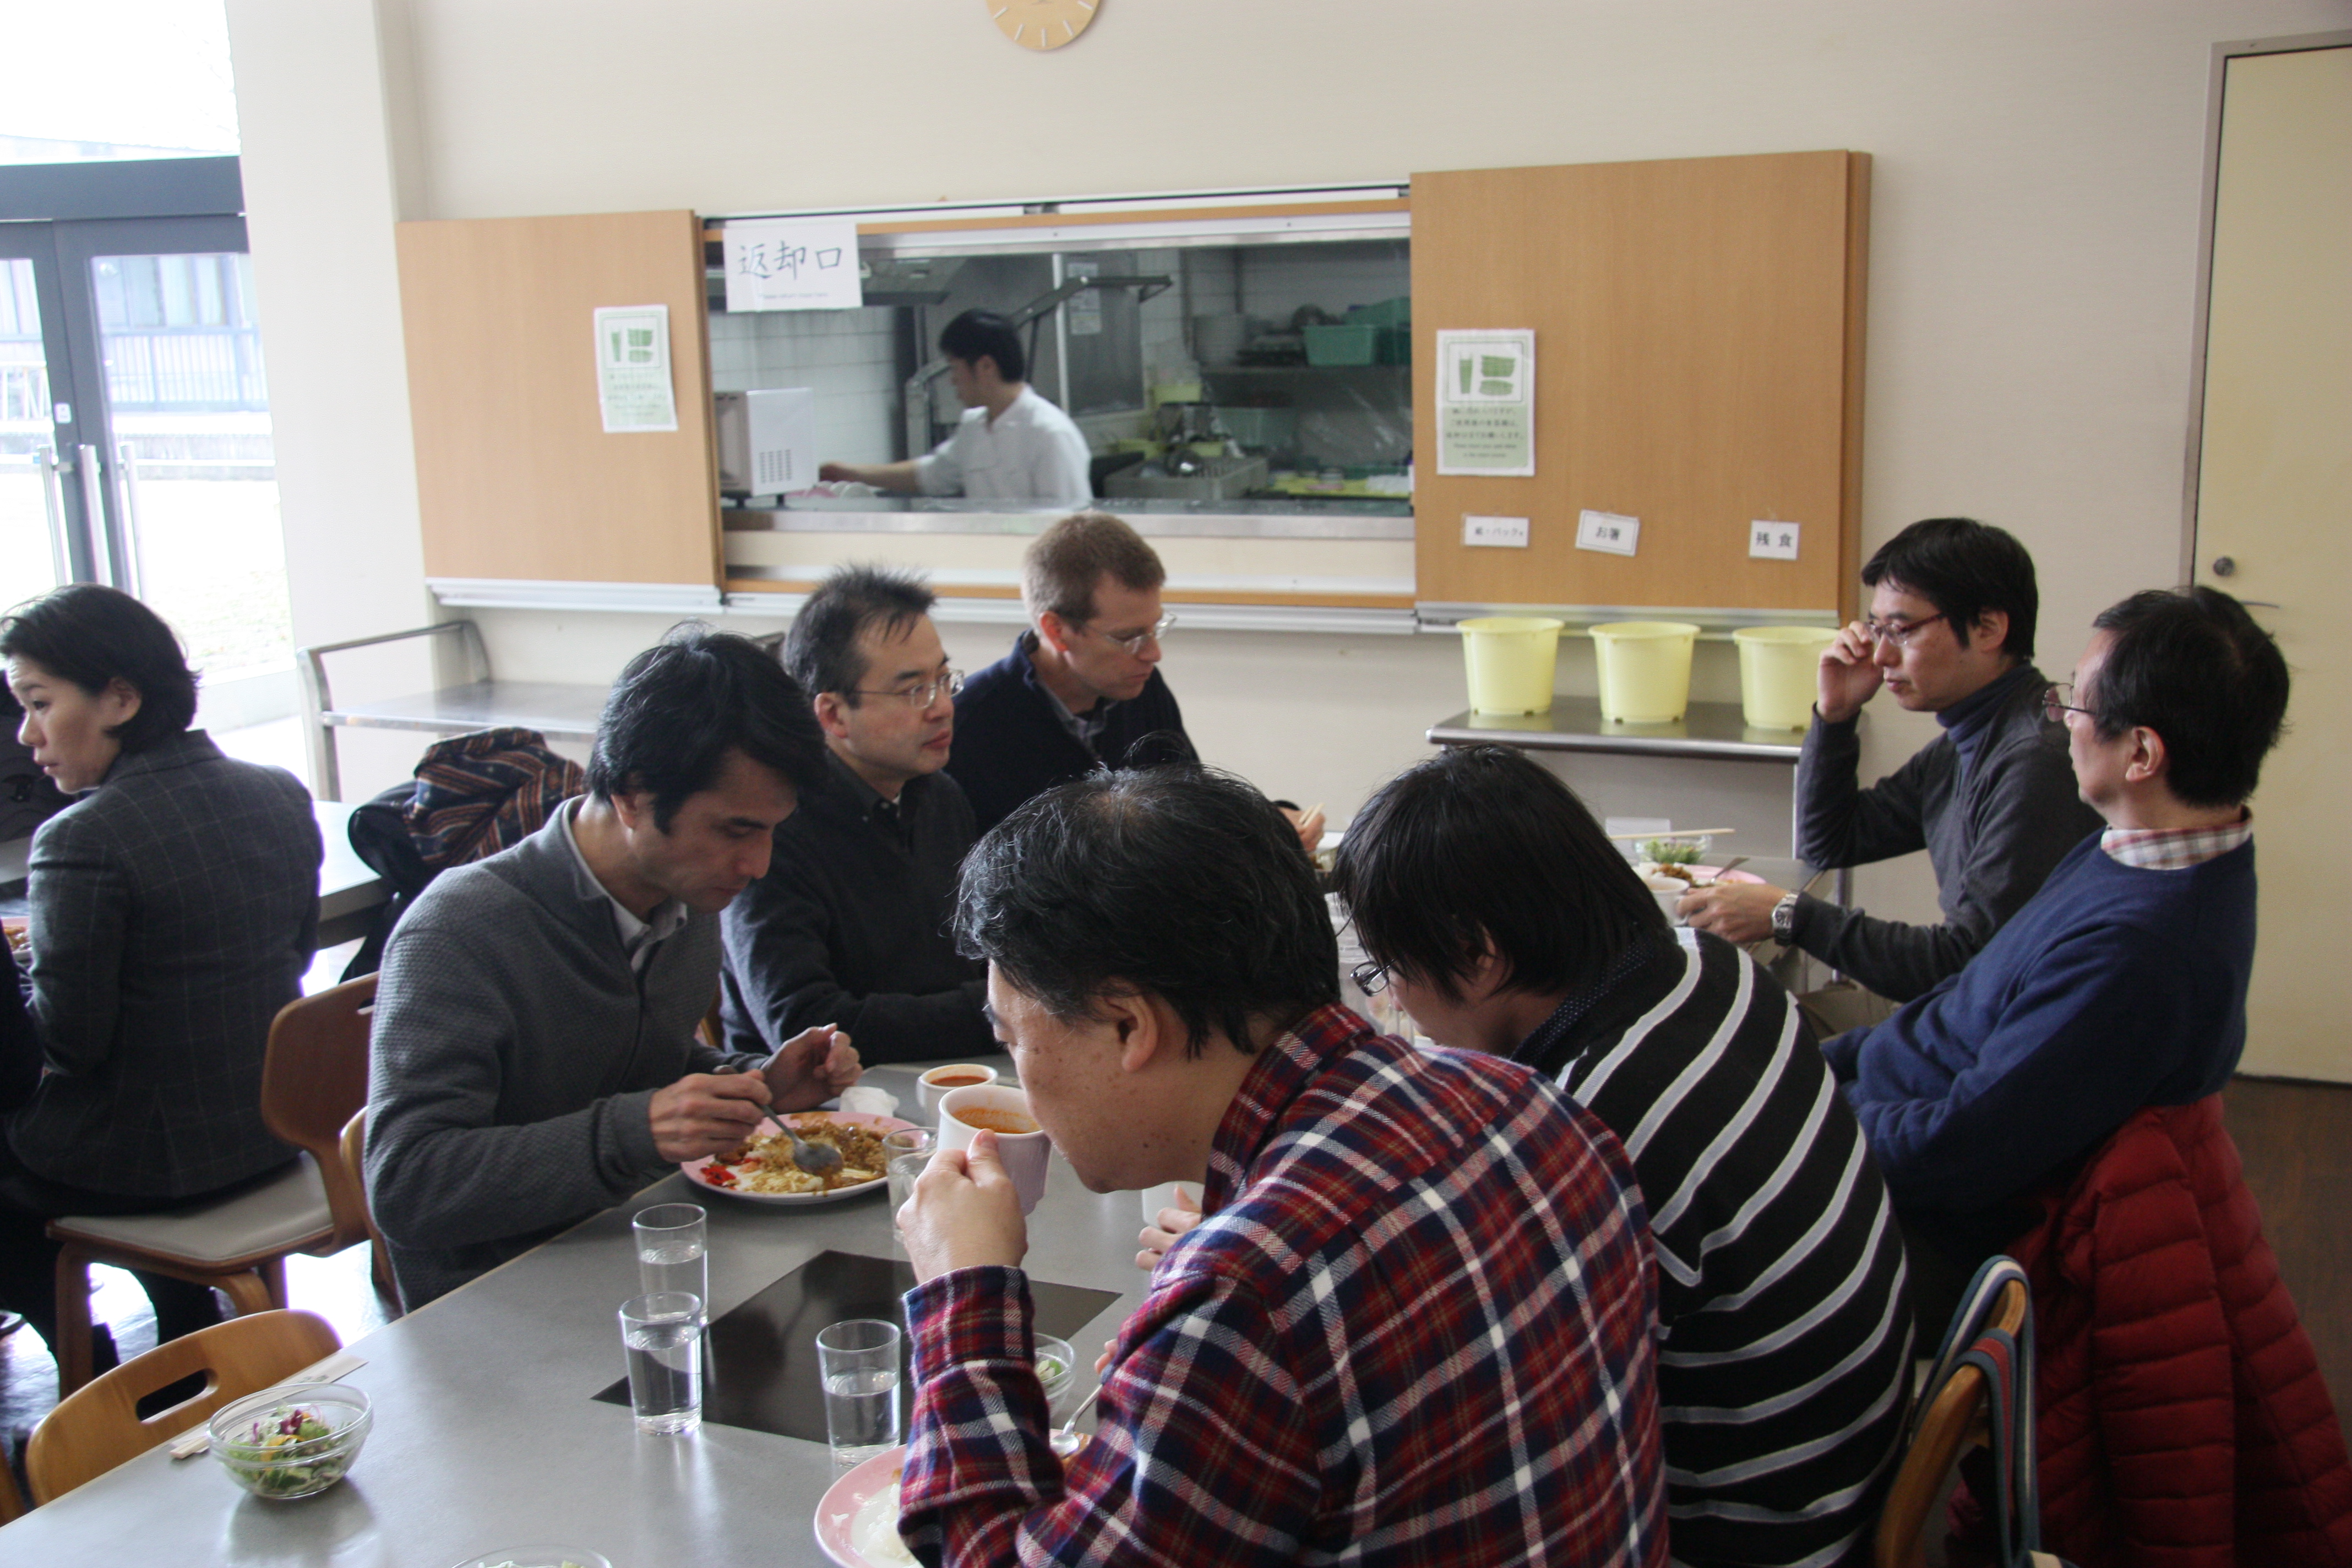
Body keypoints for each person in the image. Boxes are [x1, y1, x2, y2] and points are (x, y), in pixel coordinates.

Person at [895, 767, 1667, 1566]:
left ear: (1129, 1026)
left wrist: (964, 1292)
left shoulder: (1243, 1299)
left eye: (1014, 1040)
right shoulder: (1527, 1101)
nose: (1020, 1076)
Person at [1321, 744, 1912, 1568]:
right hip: (1853, 1456)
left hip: (1759, 1527)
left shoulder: (1586, 1129)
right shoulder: (1712, 967)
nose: (1392, 998)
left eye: (1389, 968)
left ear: (1478, 953)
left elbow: (1506, 1406)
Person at [1825, 585, 2289, 1326]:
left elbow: (1960, 1150)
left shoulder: (2139, 951)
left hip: (1939, 1226)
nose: (2064, 720)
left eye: (2077, 702)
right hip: (1896, 1114)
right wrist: (1815, 1072)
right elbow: (1965, 1001)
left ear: (2142, 752)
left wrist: (1811, 1117)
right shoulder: (2136, 848)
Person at [366, 628, 861, 1308]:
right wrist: (635, 1131)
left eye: (774, 829)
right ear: (632, 794)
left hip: (651, 1255)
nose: (759, 864)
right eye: (735, 829)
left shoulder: (686, 898)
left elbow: (637, 1062)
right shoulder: (459, 931)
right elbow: (408, 1185)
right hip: (498, 1302)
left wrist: (755, 1083)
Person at [0, 585, 322, 1365]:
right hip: (271, 1130)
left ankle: (85, 1359)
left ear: (119, 699)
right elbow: (298, 953)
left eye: (39, 703)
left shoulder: (81, 839)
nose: (25, 734)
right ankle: (183, 1315)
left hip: (151, 1164)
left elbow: (70, 1046)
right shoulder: (278, 791)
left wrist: (29, 974)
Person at [1680, 517, 2100, 1027]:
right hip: (1963, 1017)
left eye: (1901, 630)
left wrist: (1788, 914)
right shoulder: (1971, 739)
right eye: (1877, 630)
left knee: (1730, 1038)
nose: (1881, 656)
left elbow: (1966, 965)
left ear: (1989, 628)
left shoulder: (2035, 761)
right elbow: (1830, 842)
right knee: (1738, 1026)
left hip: (1992, 1039)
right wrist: (1836, 716)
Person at [720, 566, 992, 1065]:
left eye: (943, 679)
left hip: (944, 1070)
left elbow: (976, 959)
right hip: (819, 1098)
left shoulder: (940, 797)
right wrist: (993, 1008)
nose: (942, 708)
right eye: (914, 691)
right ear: (833, 715)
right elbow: (802, 1025)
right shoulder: (774, 826)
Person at [945, 510, 1194, 837]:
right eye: (1127, 637)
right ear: (1057, 630)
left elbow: (1193, 813)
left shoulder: (1142, 687)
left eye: (1155, 629)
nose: (1152, 654)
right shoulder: (968, 728)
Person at [819, 309, 1091, 504]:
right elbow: (928, 476)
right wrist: (850, 474)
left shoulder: (1050, 434)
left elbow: (1071, 524)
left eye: (954, 368)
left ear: (986, 366)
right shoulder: (974, 427)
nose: (952, 380)